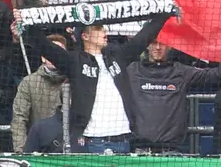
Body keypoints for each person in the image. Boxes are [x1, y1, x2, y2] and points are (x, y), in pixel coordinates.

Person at [24, 15, 171, 153]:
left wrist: (164, 14)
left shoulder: (118, 55)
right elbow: (46, 47)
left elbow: (143, 38)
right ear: (85, 36)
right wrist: (27, 22)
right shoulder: (74, 61)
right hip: (93, 141)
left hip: (124, 139)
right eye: (98, 28)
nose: (104, 31)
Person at [126, 36, 221, 152]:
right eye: (154, 43)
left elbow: (219, 74)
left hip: (171, 152)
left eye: (162, 43)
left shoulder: (181, 71)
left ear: (169, 46)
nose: (158, 48)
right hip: (140, 152)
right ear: (147, 45)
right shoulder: (132, 71)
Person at [11, 38, 68, 152]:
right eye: (52, 53)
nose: (55, 56)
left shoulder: (74, 81)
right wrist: (21, 152)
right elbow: (19, 119)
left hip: (69, 149)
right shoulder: (29, 82)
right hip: (39, 149)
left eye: (59, 52)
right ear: (43, 57)